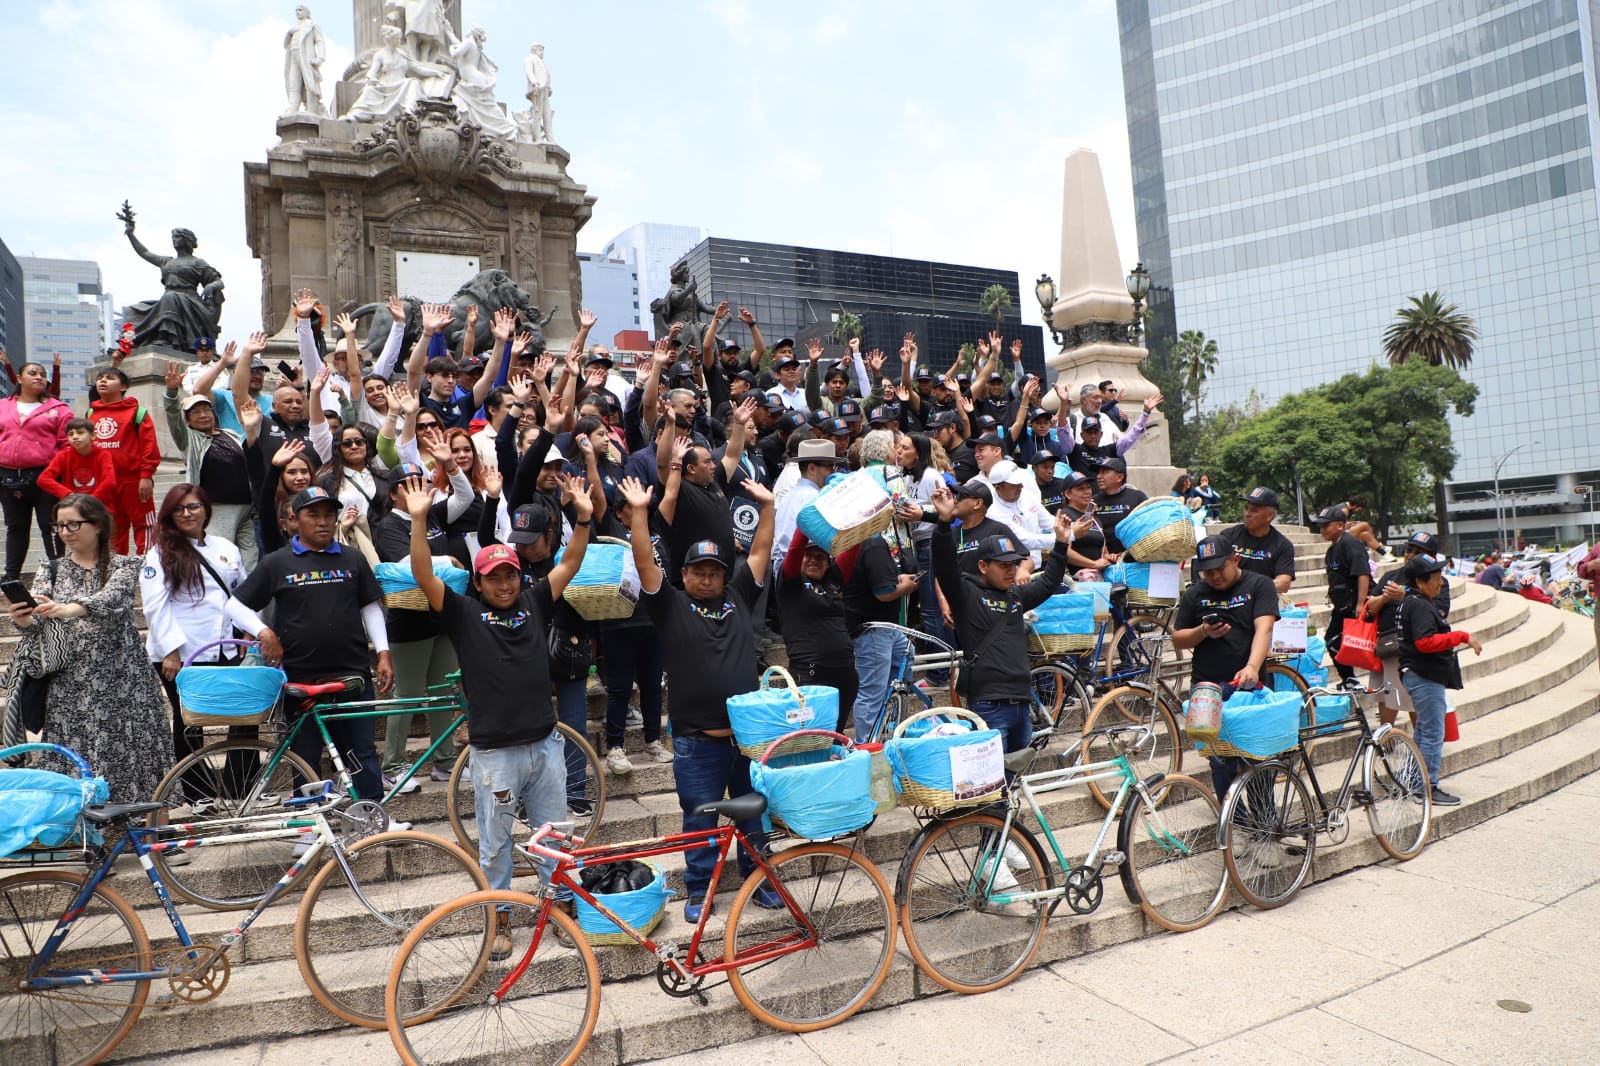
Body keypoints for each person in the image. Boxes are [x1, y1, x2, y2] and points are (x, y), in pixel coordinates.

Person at [399, 476, 584, 952]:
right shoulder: (461, 613)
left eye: (510, 575)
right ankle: (500, 916)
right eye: (494, 577)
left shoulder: (535, 601)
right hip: (495, 752)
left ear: (519, 577)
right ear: (478, 582)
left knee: (554, 835)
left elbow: (572, 561)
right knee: (496, 842)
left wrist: (582, 517)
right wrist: (420, 519)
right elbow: (423, 575)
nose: (504, 584)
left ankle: (559, 903)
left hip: (544, 743)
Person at [619, 475, 783, 922]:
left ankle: (762, 881)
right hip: (697, 742)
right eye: (699, 572)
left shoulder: (736, 596)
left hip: (747, 741)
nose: (708, 579)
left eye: (714, 572)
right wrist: (638, 512)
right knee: (699, 819)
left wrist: (767, 508)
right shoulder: (669, 604)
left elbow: (761, 553)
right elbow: (644, 562)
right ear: (685, 575)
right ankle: (699, 891)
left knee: (756, 817)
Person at [226, 487, 394, 803]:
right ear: (294, 520)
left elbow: (370, 606)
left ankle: (372, 818)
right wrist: (265, 632)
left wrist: (383, 651)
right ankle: (310, 822)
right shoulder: (277, 562)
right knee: (305, 757)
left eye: (328, 515)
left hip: (352, 675)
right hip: (300, 680)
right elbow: (235, 606)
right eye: (313, 514)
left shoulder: (352, 558)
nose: (323, 522)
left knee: (362, 753)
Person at [7, 494, 170, 802]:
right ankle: (83, 839)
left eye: (74, 524)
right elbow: (38, 624)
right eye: (60, 525)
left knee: (140, 754)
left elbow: (113, 600)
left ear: (97, 525)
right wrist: (25, 619)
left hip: (125, 680)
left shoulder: (125, 564)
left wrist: (68, 609)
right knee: (76, 759)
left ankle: (153, 834)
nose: (66, 531)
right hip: (71, 685)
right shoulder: (50, 569)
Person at [930, 489, 1077, 752]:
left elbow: (1047, 583)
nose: (1011, 571)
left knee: (1015, 779)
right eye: (1003, 565)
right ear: (984, 566)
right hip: (990, 705)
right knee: (994, 782)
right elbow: (943, 565)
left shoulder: (1015, 596)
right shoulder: (966, 593)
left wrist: (1061, 543)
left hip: (1022, 705)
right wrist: (943, 523)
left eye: (1014, 564)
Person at [141, 484, 250, 805]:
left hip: (227, 648)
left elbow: (243, 593)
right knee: (189, 722)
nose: (187, 514)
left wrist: (247, 631)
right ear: (169, 515)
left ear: (206, 509)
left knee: (245, 717)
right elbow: (154, 608)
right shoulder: (159, 554)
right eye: (179, 509)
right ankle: (198, 794)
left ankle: (240, 789)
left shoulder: (226, 547)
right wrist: (171, 652)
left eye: (194, 507)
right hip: (181, 655)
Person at [1171, 536, 1280, 802]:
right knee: (1220, 760)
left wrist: (1253, 666)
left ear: (1235, 560)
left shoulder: (1259, 585)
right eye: (1208, 571)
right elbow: (1178, 638)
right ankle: (1233, 822)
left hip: (1250, 686)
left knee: (1256, 756)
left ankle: (1264, 821)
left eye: (1220, 568)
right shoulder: (1196, 593)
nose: (1215, 576)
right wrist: (1203, 631)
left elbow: (1264, 628)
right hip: (1207, 686)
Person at [1398, 554, 1482, 807]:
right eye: (1435, 578)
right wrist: (1460, 636)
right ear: (1420, 582)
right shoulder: (1420, 605)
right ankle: (1428, 787)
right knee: (1434, 733)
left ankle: (1414, 781)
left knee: (1424, 731)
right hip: (1424, 676)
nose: (1440, 583)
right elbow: (1424, 642)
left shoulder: (1414, 602)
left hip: (1420, 675)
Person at [163, 361, 258, 566]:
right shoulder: (190, 439)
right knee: (223, 561)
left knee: (250, 562)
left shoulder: (230, 434)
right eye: (195, 412)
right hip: (218, 508)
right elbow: (173, 417)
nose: (203, 415)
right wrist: (171, 392)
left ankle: (250, 598)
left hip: (246, 509)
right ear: (188, 420)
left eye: (206, 409)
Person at [776, 531, 858, 734]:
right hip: (810, 673)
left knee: (835, 736)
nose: (813, 560)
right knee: (809, 736)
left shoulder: (833, 582)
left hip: (845, 672)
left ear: (828, 562)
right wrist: (806, 524)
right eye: (808, 555)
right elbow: (795, 549)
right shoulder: (790, 582)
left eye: (820, 556)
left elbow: (854, 545)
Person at [1366, 532, 1451, 726]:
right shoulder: (1392, 576)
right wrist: (1386, 597)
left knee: (1414, 700)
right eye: (1409, 550)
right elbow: (1370, 607)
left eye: (1418, 552)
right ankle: (1386, 740)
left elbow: (1439, 614)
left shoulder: (1438, 583)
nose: (1410, 555)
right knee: (1387, 696)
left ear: (1430, 557)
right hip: (1387, 645)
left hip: (1416, 651)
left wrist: (1404, 595)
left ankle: (1419, 743)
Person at [0, 362, 72, 580]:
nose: (39, 377)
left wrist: (54, 471)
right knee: (15, 527)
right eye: (32, 373)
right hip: (7, 476)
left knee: (50, 525)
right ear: (19, 378)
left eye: (42, 374)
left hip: (46, 476)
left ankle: (59, 574)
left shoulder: (59, 409)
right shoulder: (3, 406)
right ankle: (11, 577)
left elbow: (66, 445)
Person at [88, 367, 161, 555]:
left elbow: (149, 445)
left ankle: (146, 569)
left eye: (109, 378)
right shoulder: (91, 414)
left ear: (123, 387)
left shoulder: (137, 411)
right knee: (112, 529)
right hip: (105, 483)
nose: (102, 381)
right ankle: (117, 574)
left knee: (144, 526)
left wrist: (146, 475)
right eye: (100, 378)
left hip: (133, 481)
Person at [1309, 505, 1371, 684]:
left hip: (1356, 604)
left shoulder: (1350, 543)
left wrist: (1360, 604)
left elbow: (1362, 573)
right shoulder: (1332, 550)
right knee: (1332, 641)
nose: (1322, 530)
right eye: (1320, 527)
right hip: (1342, 605)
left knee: (1335, 640)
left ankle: (1352, 680)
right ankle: (1349, 680)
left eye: (1326, 526)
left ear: (1340, 526)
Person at [1223, 487, 1297, 595]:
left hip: (1261, 603)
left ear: (1269, 516)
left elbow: (1283, 583)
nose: (1247, 514)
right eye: (1246, 508)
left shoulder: (1283, 545)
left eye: (1254, 510)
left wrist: (1249, 589)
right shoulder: (1228, 536)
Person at [39, 418, 117, 513]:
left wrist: (91, 500)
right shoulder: (63, 455)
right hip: (72, 507)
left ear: (93, 435)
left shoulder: (103, 455)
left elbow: (109, 481)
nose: (75, 437)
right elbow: (43, 479)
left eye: (80, 433)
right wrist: (68, 494)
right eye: (70, 434)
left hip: (100, 506)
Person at [1092, 458, 1148, 556]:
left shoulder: (1138, 497)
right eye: (1098, 473)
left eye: (1104, 472)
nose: (1099, 476)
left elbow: (1146, 528)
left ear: (1119, 477)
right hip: (1101, 560)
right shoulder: (1092, 502)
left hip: (1132, 558)